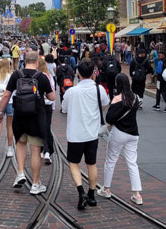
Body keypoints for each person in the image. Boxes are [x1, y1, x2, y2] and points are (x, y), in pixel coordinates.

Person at [0, 51, 55, 196]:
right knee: (35, 149)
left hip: (20, 116)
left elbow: (6, 95)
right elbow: (51, 97)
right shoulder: (41, 77)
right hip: (36, 117)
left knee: (20, 144)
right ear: (36, 63)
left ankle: (20, 173)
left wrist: (0, 113)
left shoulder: (16, 75)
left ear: (24, 61)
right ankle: (35, 184)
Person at [62, 60, 109, 210]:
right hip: (92, 133)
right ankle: (92, 195)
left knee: (74, 163)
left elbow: (64, 109)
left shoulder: (71, 91)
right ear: (93, 73)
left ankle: (81, 192)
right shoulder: (99, 89)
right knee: (91, 164)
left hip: (75, 134)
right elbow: (104, 104)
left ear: (78, 73)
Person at [99, 73, 143, 205]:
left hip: (118, 133)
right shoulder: (135, 97)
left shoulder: (117, 99)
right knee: (132, 163)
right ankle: (137, 194)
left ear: (118, 84)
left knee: (111, 160)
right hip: (133, 134)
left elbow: (109, 118)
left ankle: (106, 189)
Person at [38, 57, 55, 165]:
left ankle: (45, 149)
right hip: (48, 104)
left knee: (39, 127)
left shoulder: (37, 76)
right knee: (47, 127)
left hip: (39, 104)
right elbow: (53, 91)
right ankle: (48, 150)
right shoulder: (49, 76)